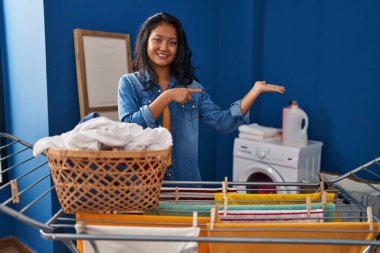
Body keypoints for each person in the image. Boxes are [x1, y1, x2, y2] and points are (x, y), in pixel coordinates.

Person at [118, 12, 285, 181]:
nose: (164, 47)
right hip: (143, 186)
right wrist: (166, 97)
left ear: (178, 47)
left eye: (172, 42)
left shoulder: (193, 88)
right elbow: (128, 129)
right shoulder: (129, 83)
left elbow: (223, 122)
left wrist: (255, 91)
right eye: (158, 39)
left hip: (186, 186)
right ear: (145, 41)